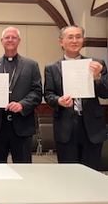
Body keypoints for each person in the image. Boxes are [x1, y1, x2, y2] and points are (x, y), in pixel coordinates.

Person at [44, 25, 108, 170]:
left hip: (92, 127)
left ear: (83, 40)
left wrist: (97, 78)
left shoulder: (97, 64)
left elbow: (105, 93)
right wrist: (59, 101)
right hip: (66, 125)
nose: (75, 40)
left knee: (91, 173)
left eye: (78, 37)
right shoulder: (52, 68)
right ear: (61, 42)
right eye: (70, 37)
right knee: (68, 173)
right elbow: (48, 95)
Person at [0, 26, 42, 163]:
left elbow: (37, 92)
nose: (10, 40)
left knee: (23, 168)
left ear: (19, 41)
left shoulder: (31, 65)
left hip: (22, 124)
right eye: (7, 37)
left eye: (14, 37)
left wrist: (22, 105)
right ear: (2, 41)